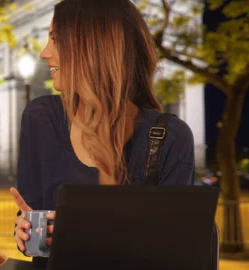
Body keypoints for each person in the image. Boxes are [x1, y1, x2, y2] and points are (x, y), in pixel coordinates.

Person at [12, 0, 196, 253]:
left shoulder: (170, 138)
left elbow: (175, 251)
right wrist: (25, 230)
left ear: (93, 49)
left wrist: (83, 233)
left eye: (56, 40)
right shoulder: (41, 118)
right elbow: (35, 232)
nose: (44, 53)